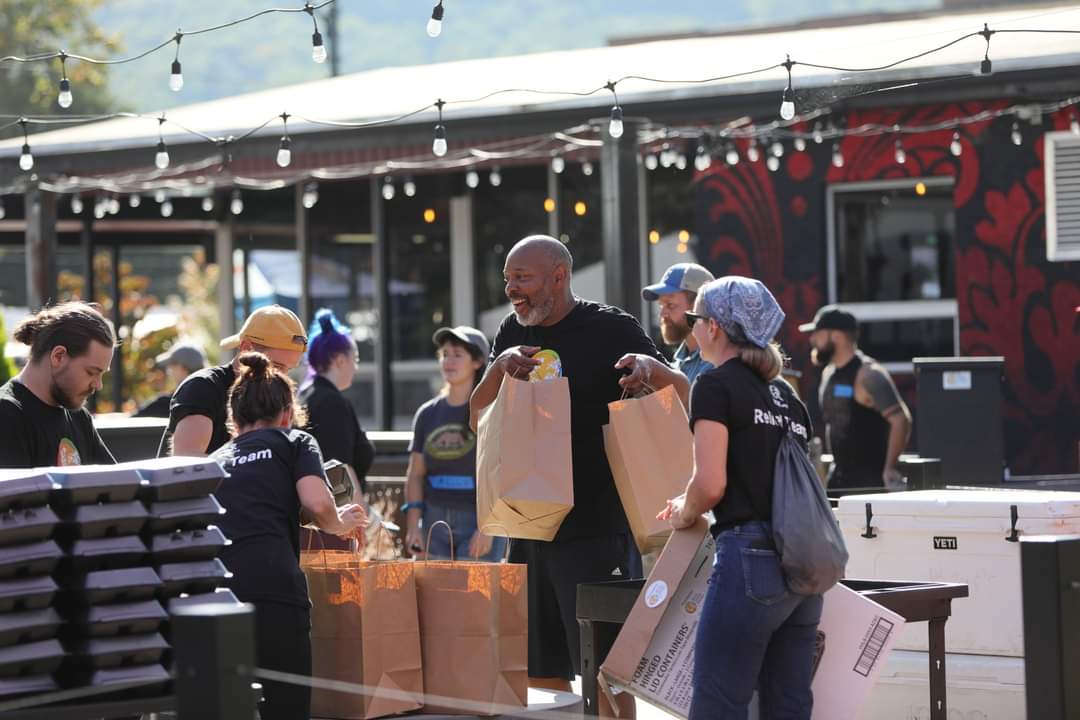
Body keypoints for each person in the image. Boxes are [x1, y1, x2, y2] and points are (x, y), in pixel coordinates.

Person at [470, 235, 689, 713]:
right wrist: (498, 370)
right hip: (526, 526)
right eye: (507, 278)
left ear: (559, 276)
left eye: (521, 277)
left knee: (607, 668)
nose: (511, 288)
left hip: (596, 525)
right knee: (537, 664)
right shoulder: (510, 331)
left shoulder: (613, 328)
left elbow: (681, 398)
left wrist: (654, 369)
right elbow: (478, 421)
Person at [658, 276, 821, 719]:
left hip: (750, 558)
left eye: (694, 320)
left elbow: (711, 484)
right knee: (788, 705)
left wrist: (682, 510)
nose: (691, 329)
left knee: (719, 702)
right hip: (803, 565)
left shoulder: (713, 386)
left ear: (713, 327)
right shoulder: (788, 396)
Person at [212, 352, 368, 720]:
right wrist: (339, 524)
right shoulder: (294, 441)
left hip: (215, 598)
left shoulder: (216, 458)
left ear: (233, 420)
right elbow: (316, 501)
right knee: (285, 706)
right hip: (274, 591)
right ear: (287, 413)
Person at [404, 325, 506, 561]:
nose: (449, 361)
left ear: (478, 362)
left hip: (479, 523)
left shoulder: (491, 411)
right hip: (434, 523)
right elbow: (415, 474)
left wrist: (488, 528)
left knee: (474, 598)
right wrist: (413, 526)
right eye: (445, 354)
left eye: (458, 355)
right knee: (432, 598)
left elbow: (502, 472)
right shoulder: (426, 414)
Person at [158, 305, 307, 457]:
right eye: (276, 366)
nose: (282, 376)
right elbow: (187, 462)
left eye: (289, 370)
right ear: (246, 348)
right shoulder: (203, 387)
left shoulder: (277, 397)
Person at [799, 305, 912, 490]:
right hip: (838, 480)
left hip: (870, 485)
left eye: (817, 333)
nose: (812, 339)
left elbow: (901, 420)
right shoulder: (829, 373)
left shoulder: (869, 375)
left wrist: (889, 468)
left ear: (836, 336)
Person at [0, 302, 116, 468]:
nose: (98, 385)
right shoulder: (7, 414)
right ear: (58, 356)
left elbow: (117, 485)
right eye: (92, 372)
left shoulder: (79, 418)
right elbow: (15, 493)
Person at [298, 309, 375, 550]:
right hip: (334, 523)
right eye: (356, 359)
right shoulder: (331, 402)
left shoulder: (305, 396)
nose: (356, 367)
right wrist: (359, 523)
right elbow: (342, 469)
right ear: (340, 360)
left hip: (314, 518)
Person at [642, 262, 716, 384]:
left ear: (697, 306)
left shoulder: (718, 362)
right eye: (661, 305)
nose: (662, 314)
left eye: (670, 305)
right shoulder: (677, 362)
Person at [134, 343, 207, 418]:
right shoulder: (213, 400)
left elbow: (130, 422)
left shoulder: (166, 404)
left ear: (181, 367)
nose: (169, 370)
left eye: (171, 365)